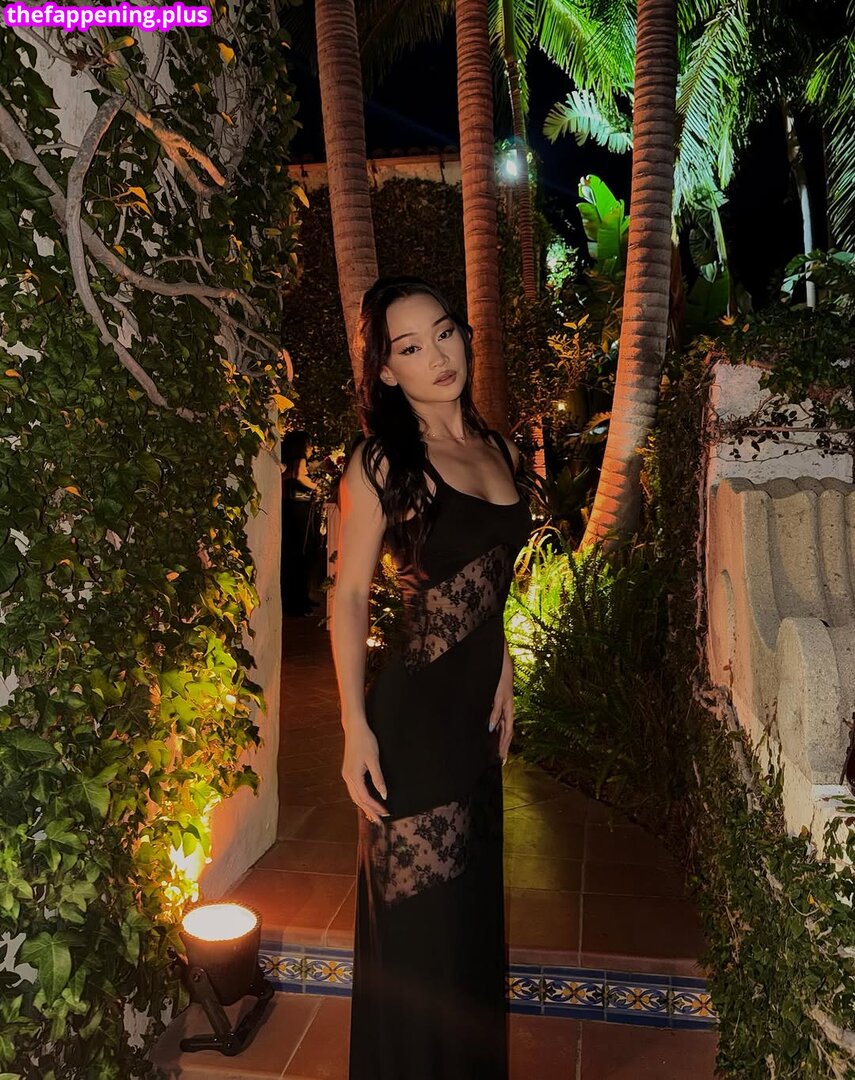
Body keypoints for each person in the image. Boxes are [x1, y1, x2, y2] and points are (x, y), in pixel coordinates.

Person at [330, 277, 533, 1079]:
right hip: (411, 723)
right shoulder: (383, 462)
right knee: (421, 933)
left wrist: (503, 664)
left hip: (472, 720)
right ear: (385, 371)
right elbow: (349, 596)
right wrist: (353, 727)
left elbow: (489, 578)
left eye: (444, 333)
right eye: (409, 348)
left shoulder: (500, 449)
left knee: (468, 923)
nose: (437, 356)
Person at [280, 429, 320, 616]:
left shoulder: (286, 462)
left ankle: (295, 598)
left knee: (291, 554)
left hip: (289, 508)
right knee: (301, 553)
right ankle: (299, 601)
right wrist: (316, 486)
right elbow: (299, 475)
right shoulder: (299, 459)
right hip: (300, 508)